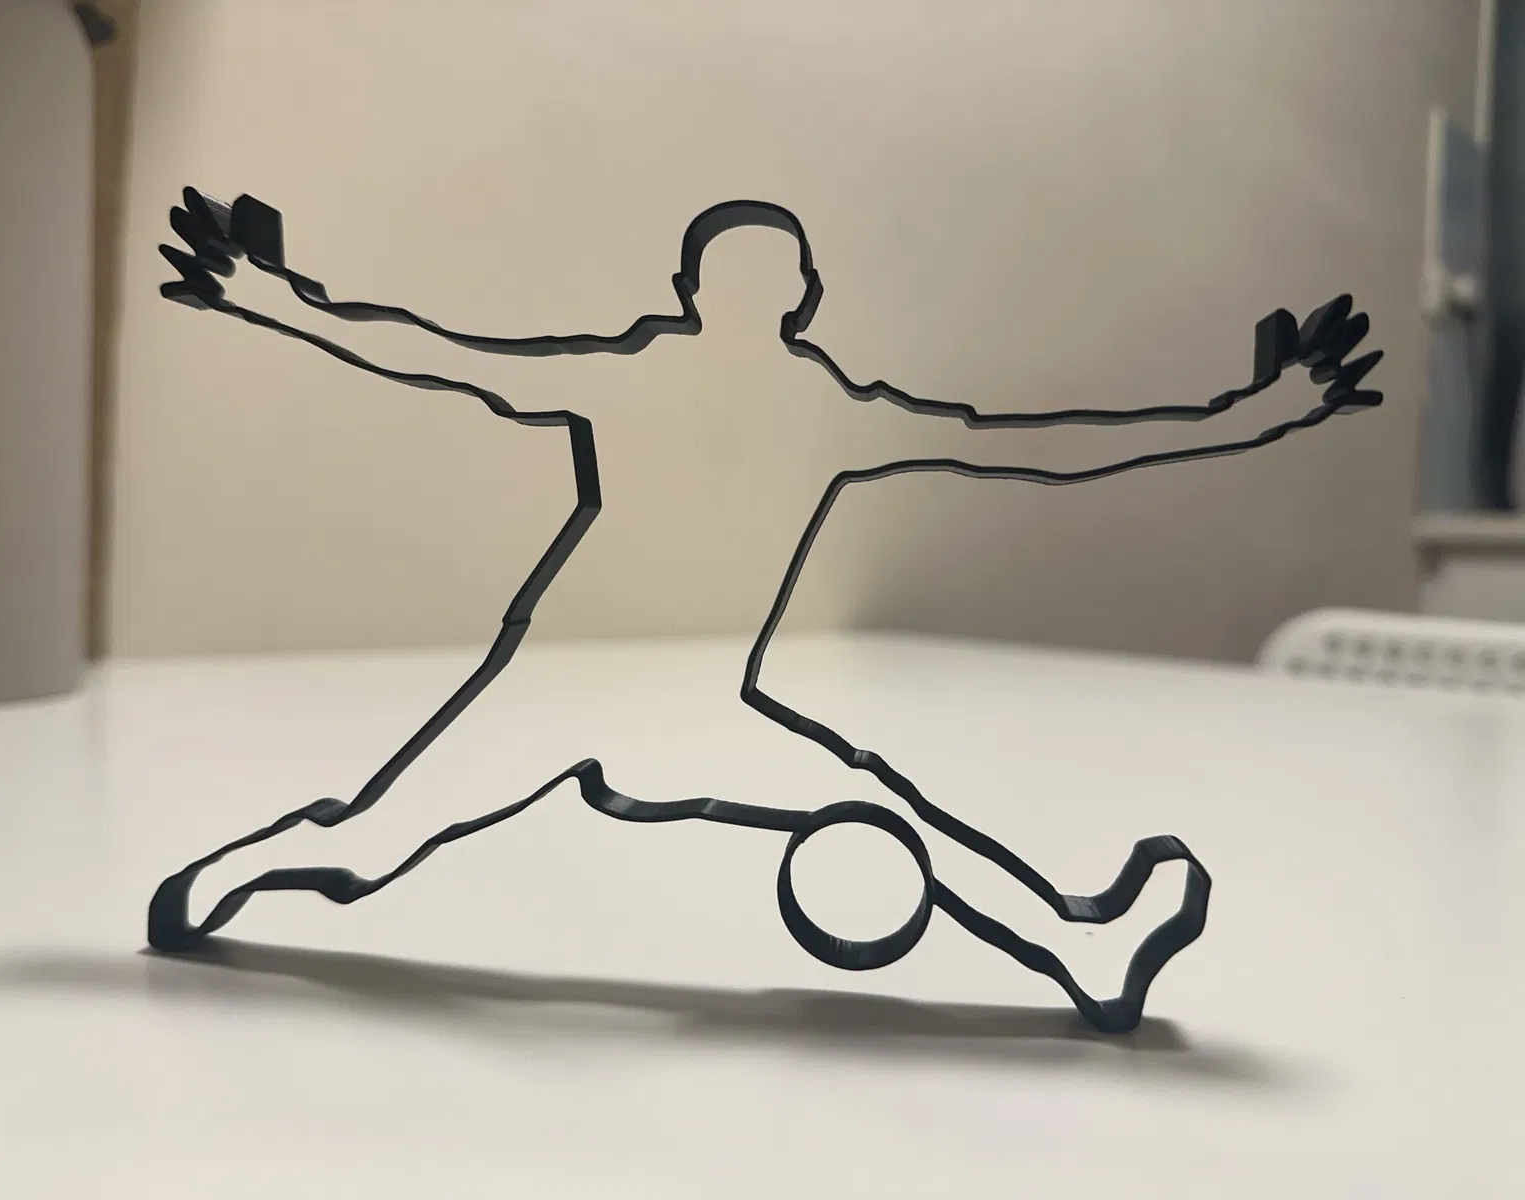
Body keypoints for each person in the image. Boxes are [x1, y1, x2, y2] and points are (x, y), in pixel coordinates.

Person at [147, 190, 1382, 1032]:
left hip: (698, 706)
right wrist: (268, 297)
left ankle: (1083, 947)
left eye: (772, 272)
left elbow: (1029, 445)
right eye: (733, 271)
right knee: (370, 841)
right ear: (693, 287)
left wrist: (1253, 416)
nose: (750, 291)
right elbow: (445, 355)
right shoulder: (636, 377)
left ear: (799, 294)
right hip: (561, 686)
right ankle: (213, 890)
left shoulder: (825, 408)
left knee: (887, 807)